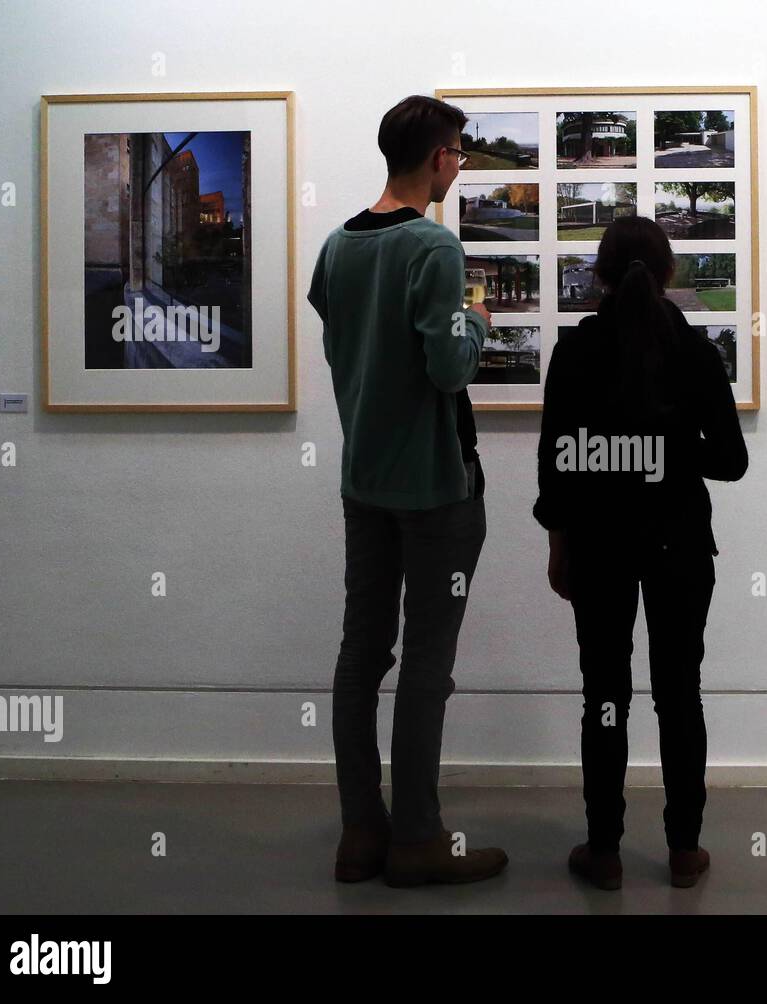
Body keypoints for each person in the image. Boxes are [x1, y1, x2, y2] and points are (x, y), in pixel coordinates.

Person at [307, 94, 508, 888]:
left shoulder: (337, 244)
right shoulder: (435, 247)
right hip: (434, 486)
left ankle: (362, 830)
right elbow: (449, 368)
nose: (460, 166)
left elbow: (343, 332)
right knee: (428, 662)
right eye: (459, 153)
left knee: (362, 652)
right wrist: (479, 319)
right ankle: (418, 837)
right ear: (436, 159)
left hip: (365, 480)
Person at [533, 216, 749, 889]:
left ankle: (604, 853)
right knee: (679, 693)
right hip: (679, 540)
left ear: (598, 272)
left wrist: (559, 547)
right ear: (669, 274)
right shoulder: (696, 353)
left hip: (598, 543)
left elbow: (556, 468)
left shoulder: (576, 352)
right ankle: (684, 851)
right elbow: (733, 461)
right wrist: (674, 448)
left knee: (605, 694)